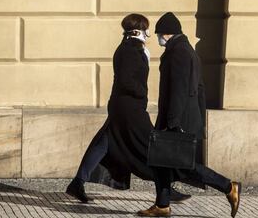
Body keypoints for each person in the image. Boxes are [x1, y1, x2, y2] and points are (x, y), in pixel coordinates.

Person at [65, 13, 190, 203]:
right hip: (130, 108)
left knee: (103, 143)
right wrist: (142, 93)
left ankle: (78, 182)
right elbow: (126, 81)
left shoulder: (131, 48)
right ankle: (165, 189)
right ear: (139, 30)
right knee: (152, 147)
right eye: (147, 29)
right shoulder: (130, 50)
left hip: (122, 106)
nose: (149, 34)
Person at [137, 12, 242, 218]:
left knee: (184, 166)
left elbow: (178, 89)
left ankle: (229, 186)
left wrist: (173, 121)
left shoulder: (178, 53)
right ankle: (162, 205)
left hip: (177, 118)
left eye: (159, 34)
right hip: (185, 116)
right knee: (160, 162)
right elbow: (200, 89)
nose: (158, 39)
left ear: (166, 33)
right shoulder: (187, 50)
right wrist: (199, 120)